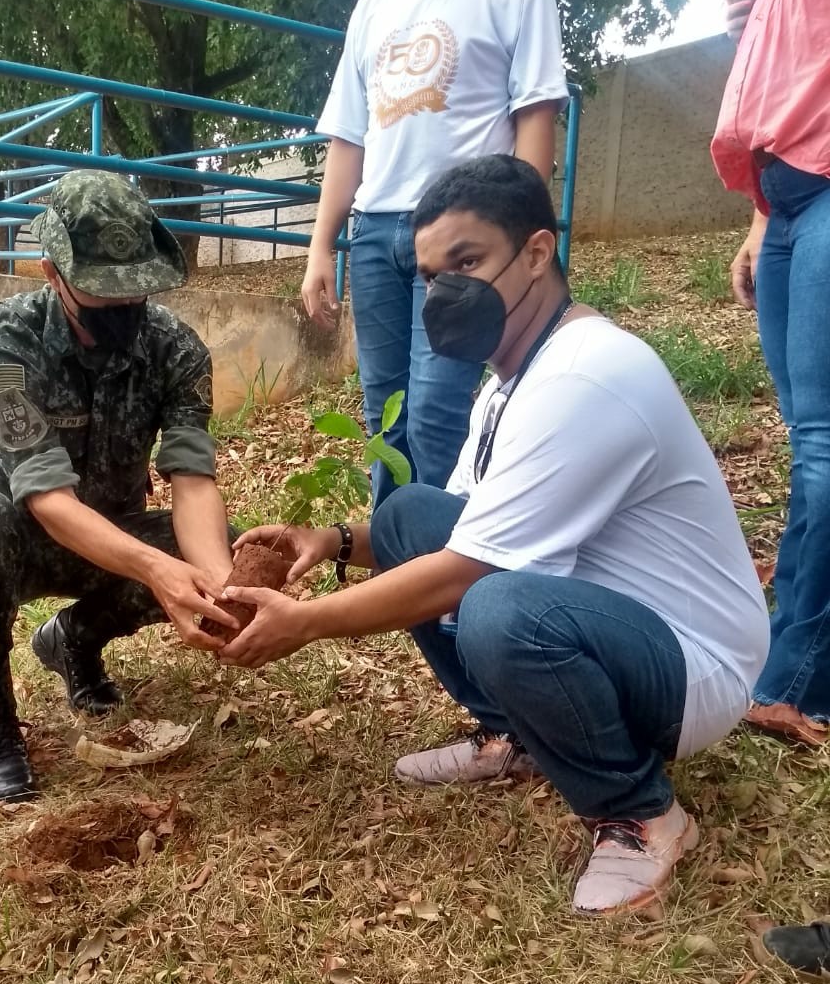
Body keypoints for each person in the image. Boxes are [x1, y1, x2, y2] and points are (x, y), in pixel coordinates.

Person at [222, 156, 770, 915]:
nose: (447, 291)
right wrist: (336, 542)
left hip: (692, 665)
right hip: (611, 616)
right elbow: (450, 533)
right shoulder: (509, 381)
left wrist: (307, 625)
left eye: (469, 261)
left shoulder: (585, 374)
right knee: (408, 513)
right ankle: (520, 737)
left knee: (497, 611)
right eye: (432, 272)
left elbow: (462, 572)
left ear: (538, 253)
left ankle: (641, 814)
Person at [0, 170, 238, 804]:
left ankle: (73, 640)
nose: (126, 312)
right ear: (53, 274)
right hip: (11, 537)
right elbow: (47, 500)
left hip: (110, 531)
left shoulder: (176, 350)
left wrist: (218, 588)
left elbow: (192, 477)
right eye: (104, 296)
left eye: (136, 295)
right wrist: (158, 571)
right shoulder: (9, 344)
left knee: (215, 555)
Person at [302, 0, 568, 505]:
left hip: (460, 245)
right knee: (385, 423)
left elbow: (536, 118)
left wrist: (526, 232)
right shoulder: (373, 4)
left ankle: (443, 585)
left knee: (434, 415)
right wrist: (320, 246)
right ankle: (395, 583)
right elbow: (348, 137)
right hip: (374, 238)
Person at [712, 0, 830, 748]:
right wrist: (760, 219)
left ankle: (800, 680)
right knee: (806, 437)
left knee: (825, 443)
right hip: (787, 197)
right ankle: (787, 646)